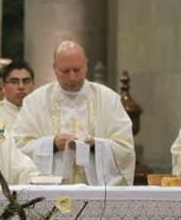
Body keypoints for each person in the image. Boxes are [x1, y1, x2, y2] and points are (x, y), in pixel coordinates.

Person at [13, 40, 135, 185]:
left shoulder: (109, 99)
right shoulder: (34, 102)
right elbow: (18, 148)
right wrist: (52, 144)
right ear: (54, 68)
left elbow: (125, 148)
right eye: (65, 71)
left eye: (77, 70)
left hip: (97, 193)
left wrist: (95, 145)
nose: (72, 77)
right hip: (51, 193)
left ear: (86, 65)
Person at [0, 60, 34, 130]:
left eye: (26, 81)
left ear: (33, 84)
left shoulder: (41, 112)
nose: (21, 86)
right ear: (3, 86)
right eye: (14, 82)